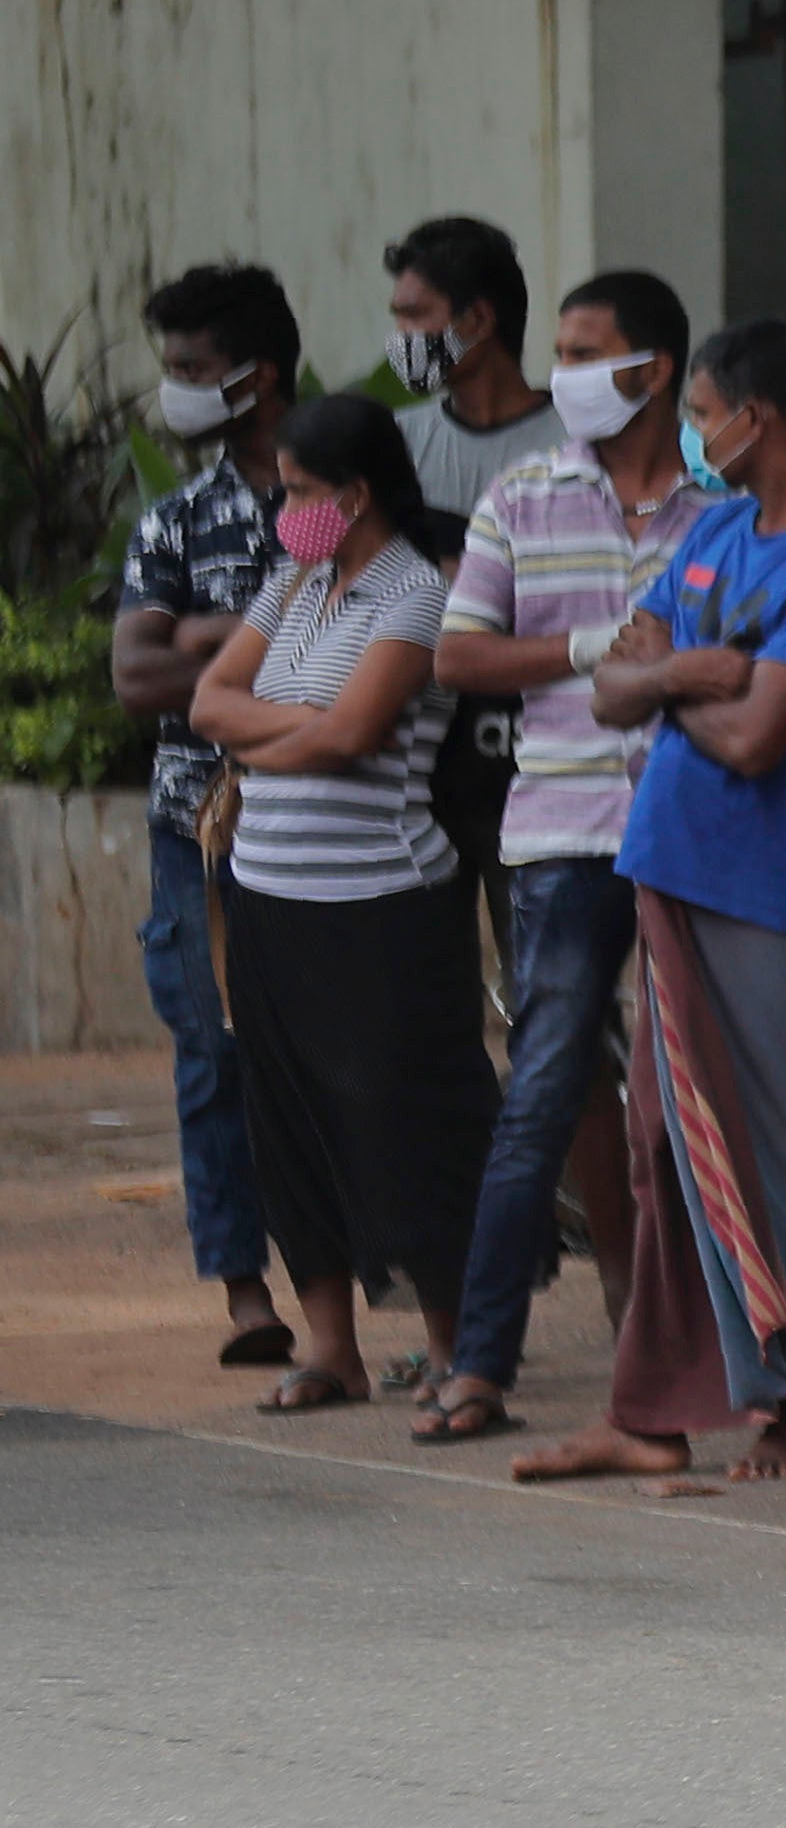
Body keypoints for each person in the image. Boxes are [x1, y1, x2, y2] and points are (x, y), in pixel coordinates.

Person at [511, 322, 786, 1485]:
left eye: (704, 410)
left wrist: (665, 681)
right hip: (669, 864)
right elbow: (624, 681)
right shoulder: (720, 530)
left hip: (763, 885)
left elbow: (761, 735)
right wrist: (686, 672)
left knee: (774, 1144)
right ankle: (650, 1411)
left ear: (756, 417)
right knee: (659, 1154)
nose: (692, 432)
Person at [416, 269, 708, 1446]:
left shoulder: (724, 503)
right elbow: (457, 655)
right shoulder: (523, 495)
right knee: (541, 1088)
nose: (569, 374)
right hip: (561, 837)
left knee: (725, 1093)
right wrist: (592, 646)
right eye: (566, 351)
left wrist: (672, 664)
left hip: (693, 828)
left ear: (657, 369)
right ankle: (480, 1362)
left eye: (592, 353)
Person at [187, 393, 491, 1411]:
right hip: (270, 893)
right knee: (289, 1122)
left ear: (355, 494)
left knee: (406, 1126)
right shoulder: (294, 581)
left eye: (302, 488)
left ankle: (455, 1349)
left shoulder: (416, 594)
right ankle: (331, 1347)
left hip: (379, 901)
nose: (285, 505)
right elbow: (206, 703)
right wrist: (296, 723)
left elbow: (355, 733)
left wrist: (269, 730)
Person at [108, 263, 301, 1369]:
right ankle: (247, 1293)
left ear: (253, 374)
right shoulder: (178, 517)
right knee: (211, 1056)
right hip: (199, 825)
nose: (175, 391)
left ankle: (385, 1273)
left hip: (342, 821)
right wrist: (271, 644)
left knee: (348, 1054)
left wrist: (204, 637)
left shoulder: (349, 502)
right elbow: (135, 673)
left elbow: (379, 639)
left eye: (188, 370)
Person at [385, 215, 562, 939]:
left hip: (544, 771)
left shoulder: (576, 448)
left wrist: (453, 577)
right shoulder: (396, 445)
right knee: (429, 1011)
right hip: (421, 777)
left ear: (478, 319)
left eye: (413, 316)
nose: (398, 337)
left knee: (549, 1004)